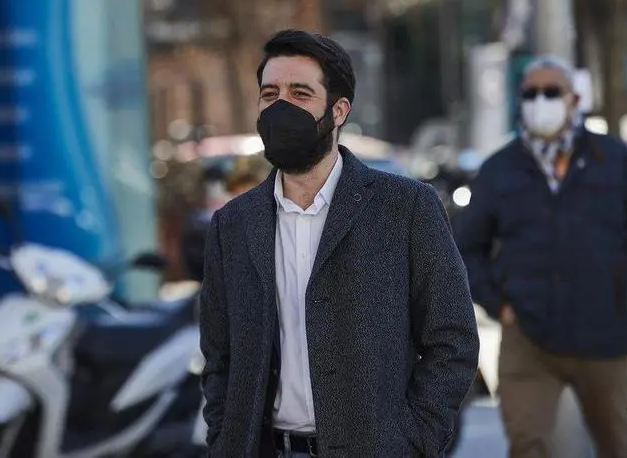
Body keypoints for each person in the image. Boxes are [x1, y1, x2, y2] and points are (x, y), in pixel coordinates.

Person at [199, 29, 479, 457]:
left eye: (300, 93)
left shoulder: (405, 209)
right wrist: (223, 439)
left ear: (339, 110)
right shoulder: (232, 226)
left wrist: (416, 440)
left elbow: (453, 340)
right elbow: (218, 358)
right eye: (269, 93)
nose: (281, 107)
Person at [455, 55, 627, 458]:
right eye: (531, 93)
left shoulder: (615, 161)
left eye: (551, 92)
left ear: (574, 99)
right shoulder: (501, 168)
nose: (540, 101)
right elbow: (463, 248)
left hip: (602, 338)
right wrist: (498, 303)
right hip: (527, 337)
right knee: (528, 444)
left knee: (616, 445)